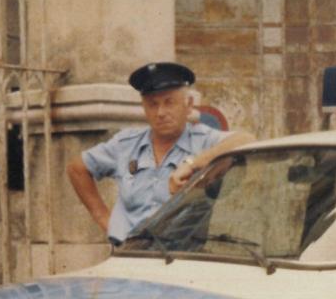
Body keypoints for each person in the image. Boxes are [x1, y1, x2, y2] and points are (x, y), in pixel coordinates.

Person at [66, 62, 255, 243]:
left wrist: (193, 164)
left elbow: (247, 140)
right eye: (152, 104)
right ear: (144, 108)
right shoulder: (126, 144)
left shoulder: (202, 140)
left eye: (169, 102)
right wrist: (105, 220)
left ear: (188, 105)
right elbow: (77, 168)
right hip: (128, 254)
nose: (160, 112)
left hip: (182, 257)